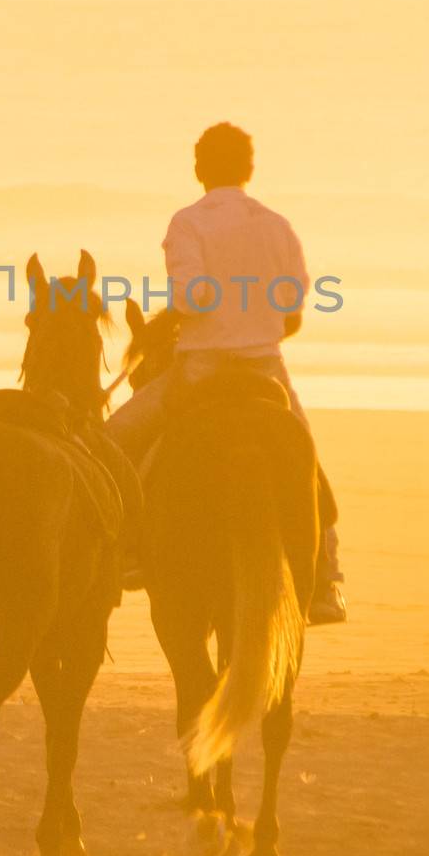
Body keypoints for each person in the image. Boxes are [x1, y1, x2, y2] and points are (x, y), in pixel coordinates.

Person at [107, 122, 347, 625]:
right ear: (249, 169)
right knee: (309, 462)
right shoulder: (277, 226)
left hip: (200, 368)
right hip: (266, 368)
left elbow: (193, 294)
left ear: (198, 169)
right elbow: (294, 311)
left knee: (112, 443)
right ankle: (326, 581)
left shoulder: (188, 223)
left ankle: (123, 555)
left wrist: (171, 318)